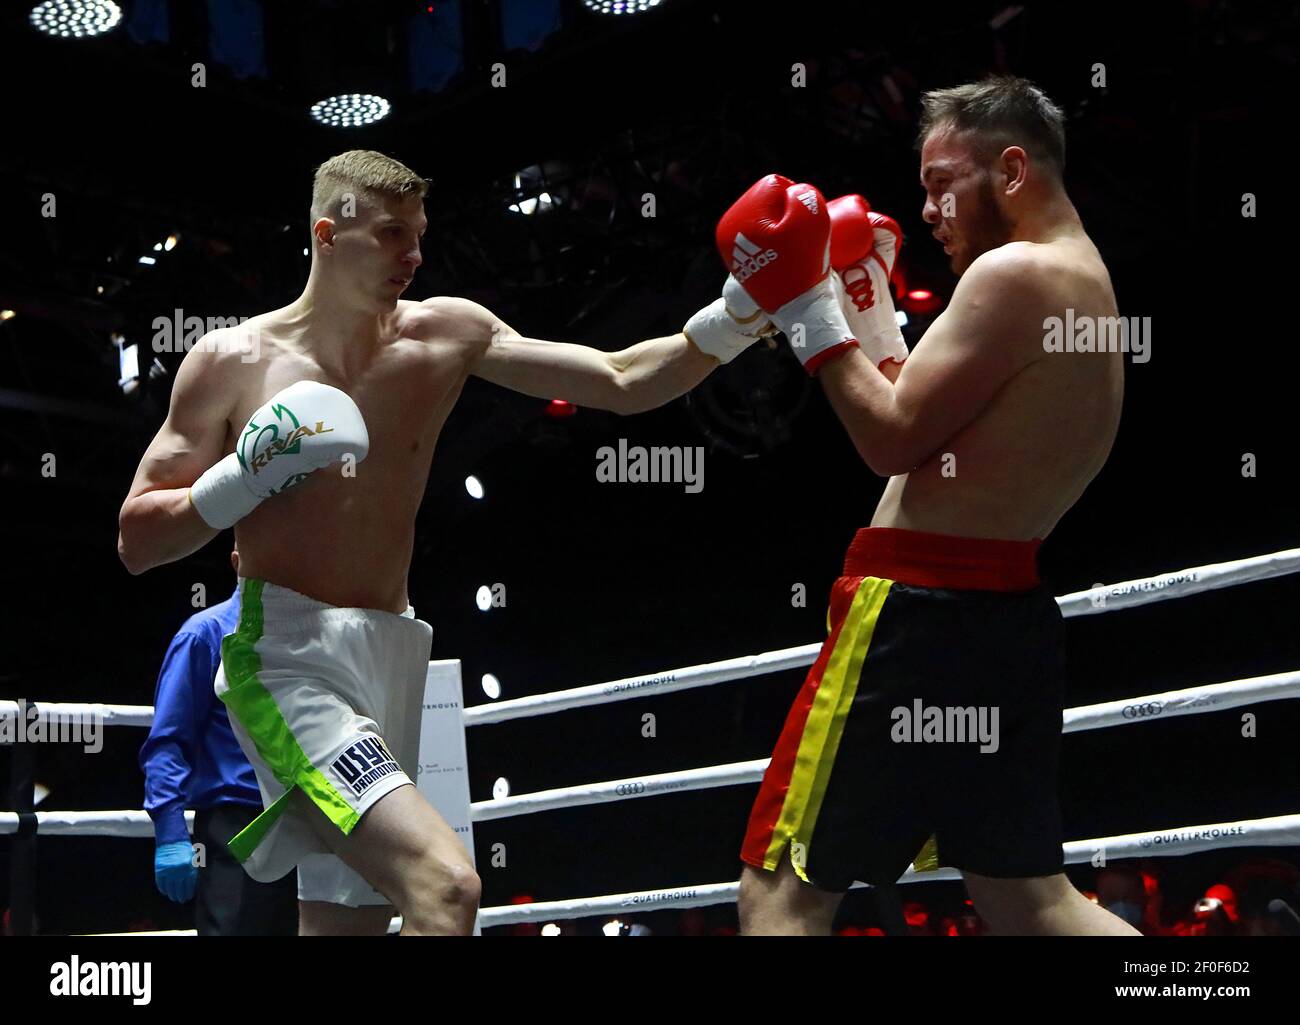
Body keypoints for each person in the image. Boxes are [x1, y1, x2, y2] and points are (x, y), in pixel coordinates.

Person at [117, 150, 769, 936]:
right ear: (329, 234)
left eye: (419, 234)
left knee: (343, 927)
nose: (415, 254)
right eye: (393, 234)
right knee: (446, 886)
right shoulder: (231, 362)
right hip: (285, 655)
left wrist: (737, 314)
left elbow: (623, 378)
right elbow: (137, 540)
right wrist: (241, 477)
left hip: (393, 650)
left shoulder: (446, 335)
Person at [728, 75, 1137, 935]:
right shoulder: (1084, 279)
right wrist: (870, 306)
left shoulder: (1013, 274)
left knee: (781, 890)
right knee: (1026, 894)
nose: (927, 208)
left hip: (915, 623)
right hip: (1004, 620)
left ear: (1014, 170)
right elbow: (928, 416)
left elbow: (889, 440)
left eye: (944, 180)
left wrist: (809, 305)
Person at [140, 548, 298, 935]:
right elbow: (169, 741)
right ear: (237, 561)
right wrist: (171, 832)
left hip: (306, 818)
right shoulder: (204, 633)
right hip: (236, 825)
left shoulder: (305, 638)